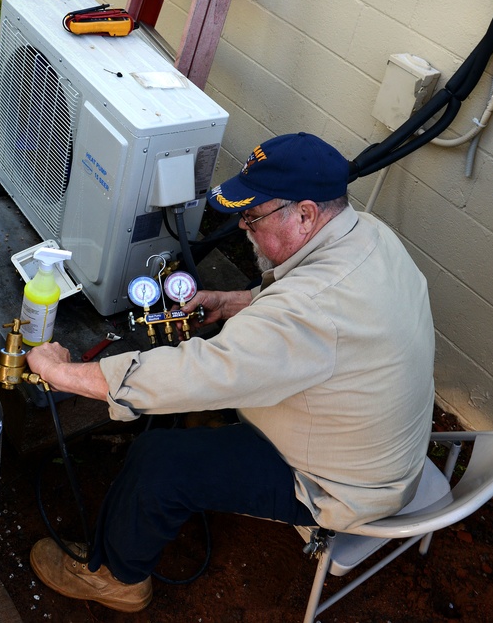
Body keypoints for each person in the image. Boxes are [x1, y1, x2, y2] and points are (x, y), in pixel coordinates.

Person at [24, 132, 436, 612]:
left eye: (253, 216)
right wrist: (243, 300)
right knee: (204, 412)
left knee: (160, 461)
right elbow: (329, 314)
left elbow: (195, 374)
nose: (243, 227)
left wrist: (64, 374)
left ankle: (118, 578)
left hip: (341, 487)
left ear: (305, 213)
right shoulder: (369, 234)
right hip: (384, 447)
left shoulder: (310, 310)